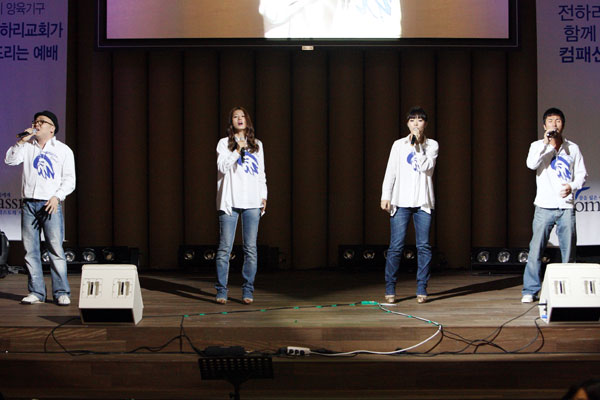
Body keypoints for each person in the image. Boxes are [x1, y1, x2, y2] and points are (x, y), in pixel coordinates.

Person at [4, 110, 76, 305]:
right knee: (30, 251)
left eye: (41, 122)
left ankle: (61, 292)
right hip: (29, 203)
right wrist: (21, 141)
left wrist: (57, 197)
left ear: (52, 128)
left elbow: (70, 180)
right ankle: (36, 292)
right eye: (35, 121)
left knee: (55, 250)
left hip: (50, 204)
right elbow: (9, 160)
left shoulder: (63, 150)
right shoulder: (27, 147)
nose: (36, 124)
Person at [521, 107, 587, 303]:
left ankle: (568, 290)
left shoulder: (572, 148)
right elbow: (531, 164)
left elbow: (582, 174)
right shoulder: (536, 146)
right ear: (544, 126)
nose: (554, 124)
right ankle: (530, 290)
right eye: (550, 121)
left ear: (563, 125)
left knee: (568, 251)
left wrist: (571, 186)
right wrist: (546, 145)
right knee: (536, 249)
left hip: (566, 206)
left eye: (557, 121)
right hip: (544, 206)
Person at [381, 107, 438, 304]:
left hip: (423, 202)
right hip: (400, 201)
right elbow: (390, 171)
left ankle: (422, 288)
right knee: (396, 246)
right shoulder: (398, 145)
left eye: (420, 120)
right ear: (407, 123)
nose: (416, 123)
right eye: (412, 120)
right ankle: (390, 288)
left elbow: (426, 167)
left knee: (424, 247)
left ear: (425, 124)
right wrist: (385, 195)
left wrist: (418, 146)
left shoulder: (432, 145)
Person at [215, 107, 267, 305]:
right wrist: (237, 149)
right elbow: (222, 167)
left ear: (247, 120)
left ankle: (248, 290)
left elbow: (261, 173)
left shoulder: (257, 145)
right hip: (230, 202)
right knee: (224, 249)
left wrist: (263, 195)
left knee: (250, 249)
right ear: (231, 122)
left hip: (252, 202)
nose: (239, 119)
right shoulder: (224, 143)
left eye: (242, 116)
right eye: (235, 116)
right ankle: (221, 290)